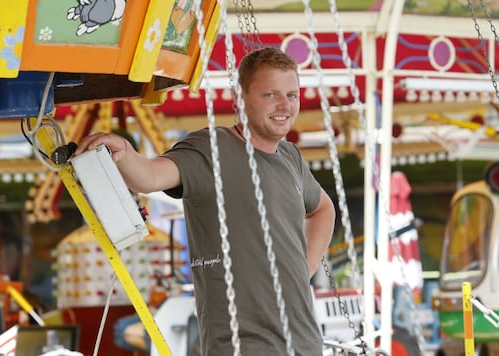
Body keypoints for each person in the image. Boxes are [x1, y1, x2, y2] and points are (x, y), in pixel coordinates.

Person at [74, 47, 336, 355]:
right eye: (270, 95)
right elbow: (150, 176)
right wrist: (124, 152)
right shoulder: (211, 149)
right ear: (240, 98)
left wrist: (305, 266)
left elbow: (323, 207)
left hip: (304, 343)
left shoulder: (290, 156)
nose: (285, 105)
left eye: (292, 95)